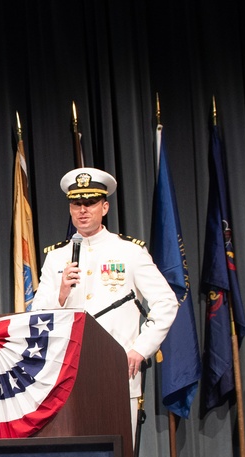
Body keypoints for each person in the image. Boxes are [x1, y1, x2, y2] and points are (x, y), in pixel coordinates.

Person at [32, 168, 178, 437]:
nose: (83, 210)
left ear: (105, 206)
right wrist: (61, 293)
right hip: (69, 376)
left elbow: (166, 302)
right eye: (76, 204)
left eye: (90, 203)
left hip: (117, 369)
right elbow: (38, 315)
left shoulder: (129, 251)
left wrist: (140, 349)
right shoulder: (56, 257)